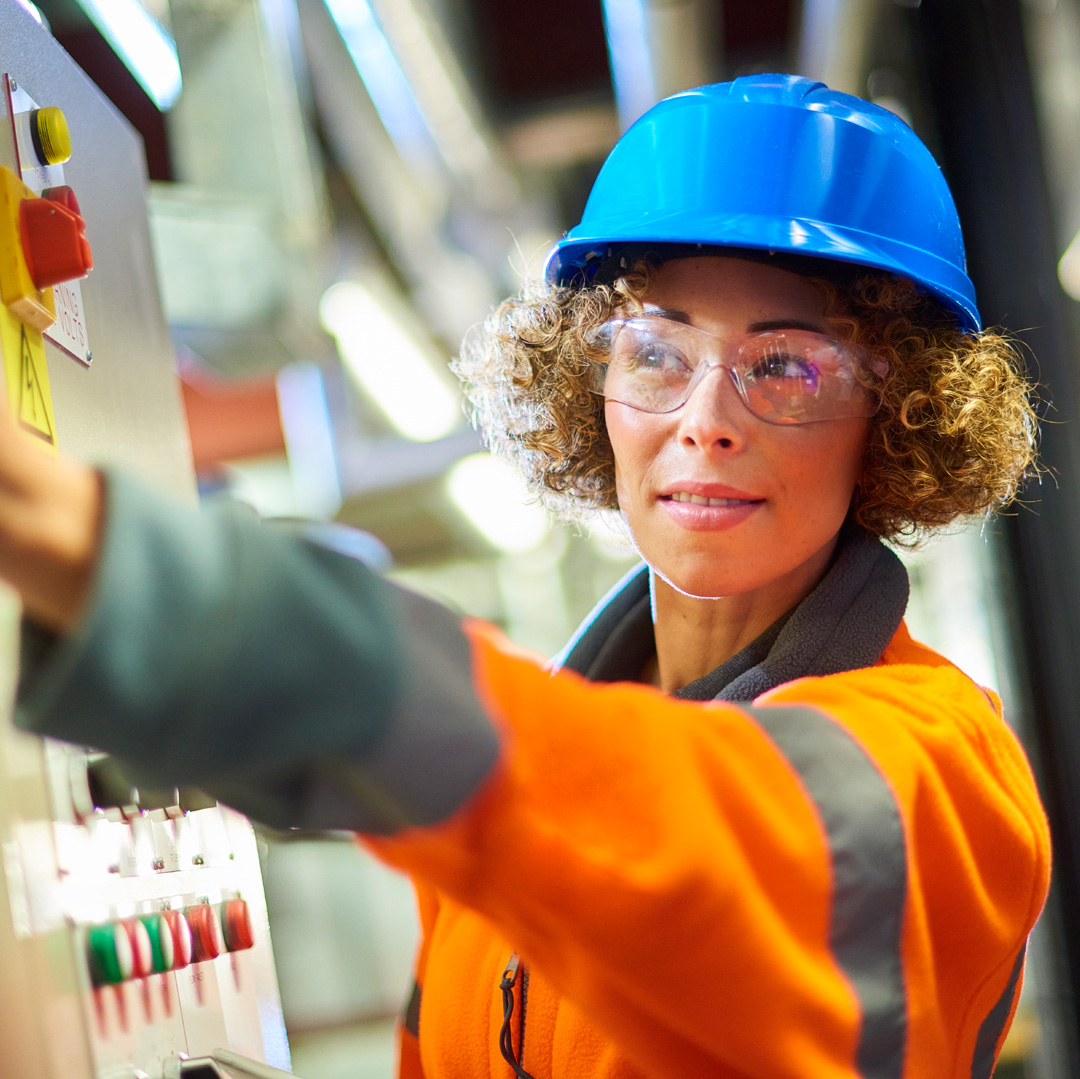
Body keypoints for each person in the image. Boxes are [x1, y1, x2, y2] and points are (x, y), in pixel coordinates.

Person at [4, 74, 1051, 1079]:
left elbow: (677, 827)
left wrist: (139, 575)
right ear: (589, 384)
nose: (704, 420)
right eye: (654, 351)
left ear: (897, 419)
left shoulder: (944, 768)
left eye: (785, 365)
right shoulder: (513, 798)